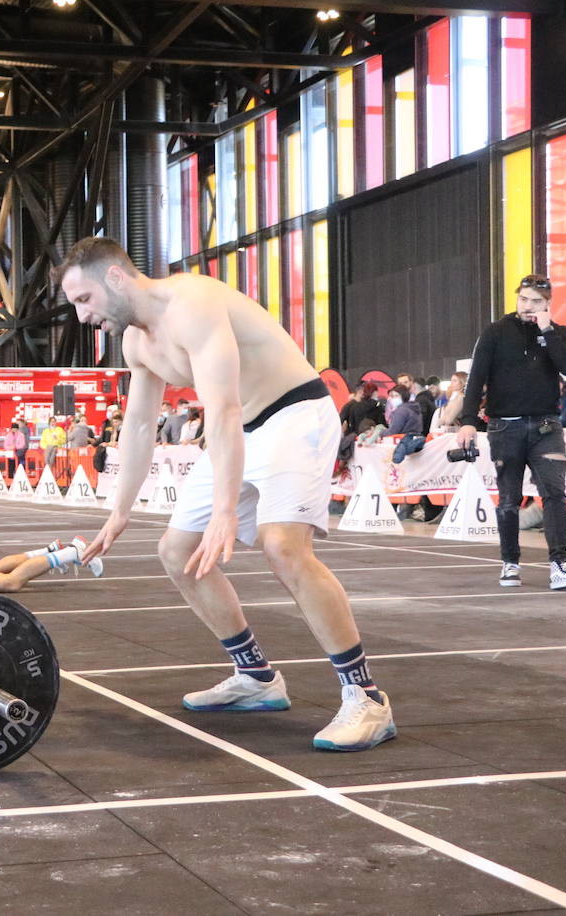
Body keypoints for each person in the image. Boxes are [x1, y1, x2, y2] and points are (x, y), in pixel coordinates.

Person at [55, 236, 395, 752]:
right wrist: (118, 512)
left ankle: (366, 697)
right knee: (175, 551)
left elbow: (225, 410)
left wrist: (223, 512)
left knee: (283, 547)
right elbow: (141, 427)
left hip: (292, 412)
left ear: (115, 279)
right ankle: (256, 678)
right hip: (243, 427)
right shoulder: (136, 343)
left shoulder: (192, 304)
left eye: (84, 300)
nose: (82, 317)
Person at [455, 274, 566, 590]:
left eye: (536, 302)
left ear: (548, 304)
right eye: (524, 299)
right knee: (508, 499)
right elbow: (476, 379)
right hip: (504, 426)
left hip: (547, 425)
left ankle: (560, 565)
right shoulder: (495, 332)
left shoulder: (559, 333)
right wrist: (468, 422)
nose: (528, 306)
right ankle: (510, 563)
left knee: (555, 494)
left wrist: (546, 331)